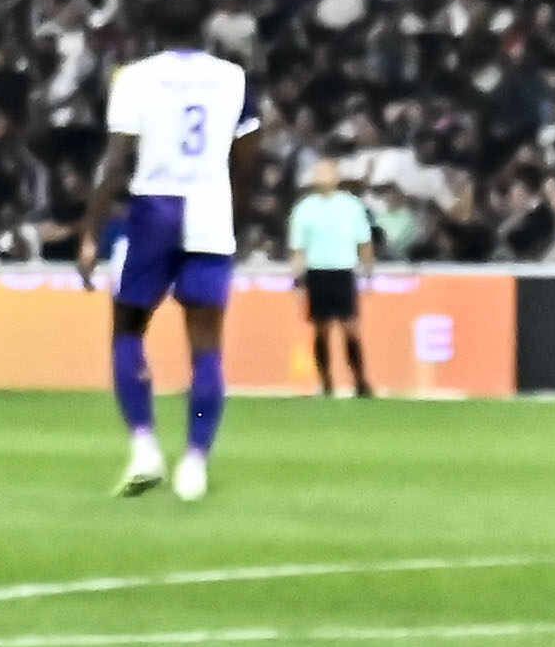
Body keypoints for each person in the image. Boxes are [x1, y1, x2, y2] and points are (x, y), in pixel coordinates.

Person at [78, 35, 257, 502]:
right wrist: (233, 206)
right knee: (206, 346)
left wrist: (91, 232)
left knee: (128, 327)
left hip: (156, 210)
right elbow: (249, 155)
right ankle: (195, 462)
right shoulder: (232, 76)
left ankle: (144, 447)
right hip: (210, 211)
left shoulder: (136, 75)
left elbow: (114, 162)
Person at [286, 159, 381, 397]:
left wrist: (368, 270)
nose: (322, 177)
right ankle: (325, 381)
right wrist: (297, 278)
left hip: (343, 271)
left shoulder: (351, 206)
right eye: (318, 172)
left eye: (326, 172)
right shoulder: (304, 208)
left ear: (336, 177)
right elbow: (298, 247)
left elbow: (364, 240)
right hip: (317, 272)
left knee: (350, 328)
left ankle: (360, 381)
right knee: (321, 329)